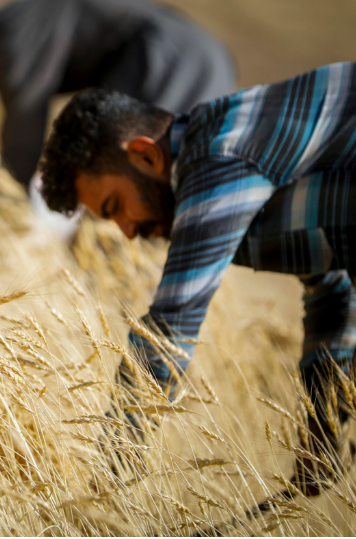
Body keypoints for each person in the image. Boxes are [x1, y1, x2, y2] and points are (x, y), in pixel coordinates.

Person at [39, 62, 356, 496]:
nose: (127, 231)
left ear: (146, 155)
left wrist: (104, 489)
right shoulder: (246, 163)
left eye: (115, 206)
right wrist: (324, 425)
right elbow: (331, 286)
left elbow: (168, 336)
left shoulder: (217, 158)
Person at [0, 0, 235, 191]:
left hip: (174, 61)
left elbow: (24, 136)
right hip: (190, 57)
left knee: (121, 188)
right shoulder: (5, 40)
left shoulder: (10, 39)